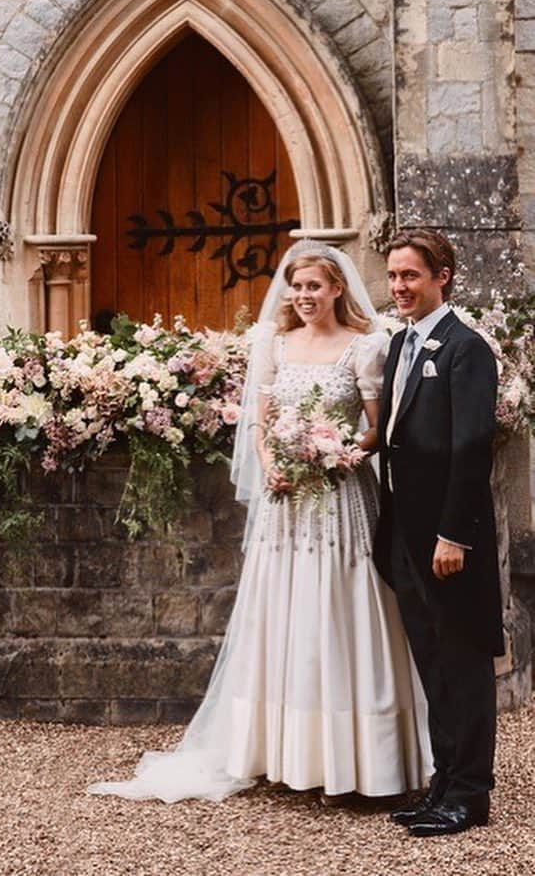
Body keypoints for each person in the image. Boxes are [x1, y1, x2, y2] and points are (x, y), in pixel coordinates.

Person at [89, 241, 429, 803]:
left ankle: (361, 759)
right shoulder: (274, 343)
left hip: (340, 498)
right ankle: (281, 751)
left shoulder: (366, 348)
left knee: (343, 610)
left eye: (314, 287)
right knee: (286, 610)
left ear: (337, 289)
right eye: (297, 288)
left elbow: (377, 427)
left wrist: (337, 454)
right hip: (285, 503)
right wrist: (274, 465)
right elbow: (258, 424)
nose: (304, 297)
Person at [375, 229, 502, 837]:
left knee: (463, 662)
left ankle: (470, 794)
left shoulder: (466, 348)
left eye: (410, 276)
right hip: (406, 535)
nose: (399, 287)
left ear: (442, 275)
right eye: (394, 276)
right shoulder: (401, 343)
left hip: (449, 543)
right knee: (431, 663)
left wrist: (454, 534)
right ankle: (442, 782)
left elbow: (472, 448)